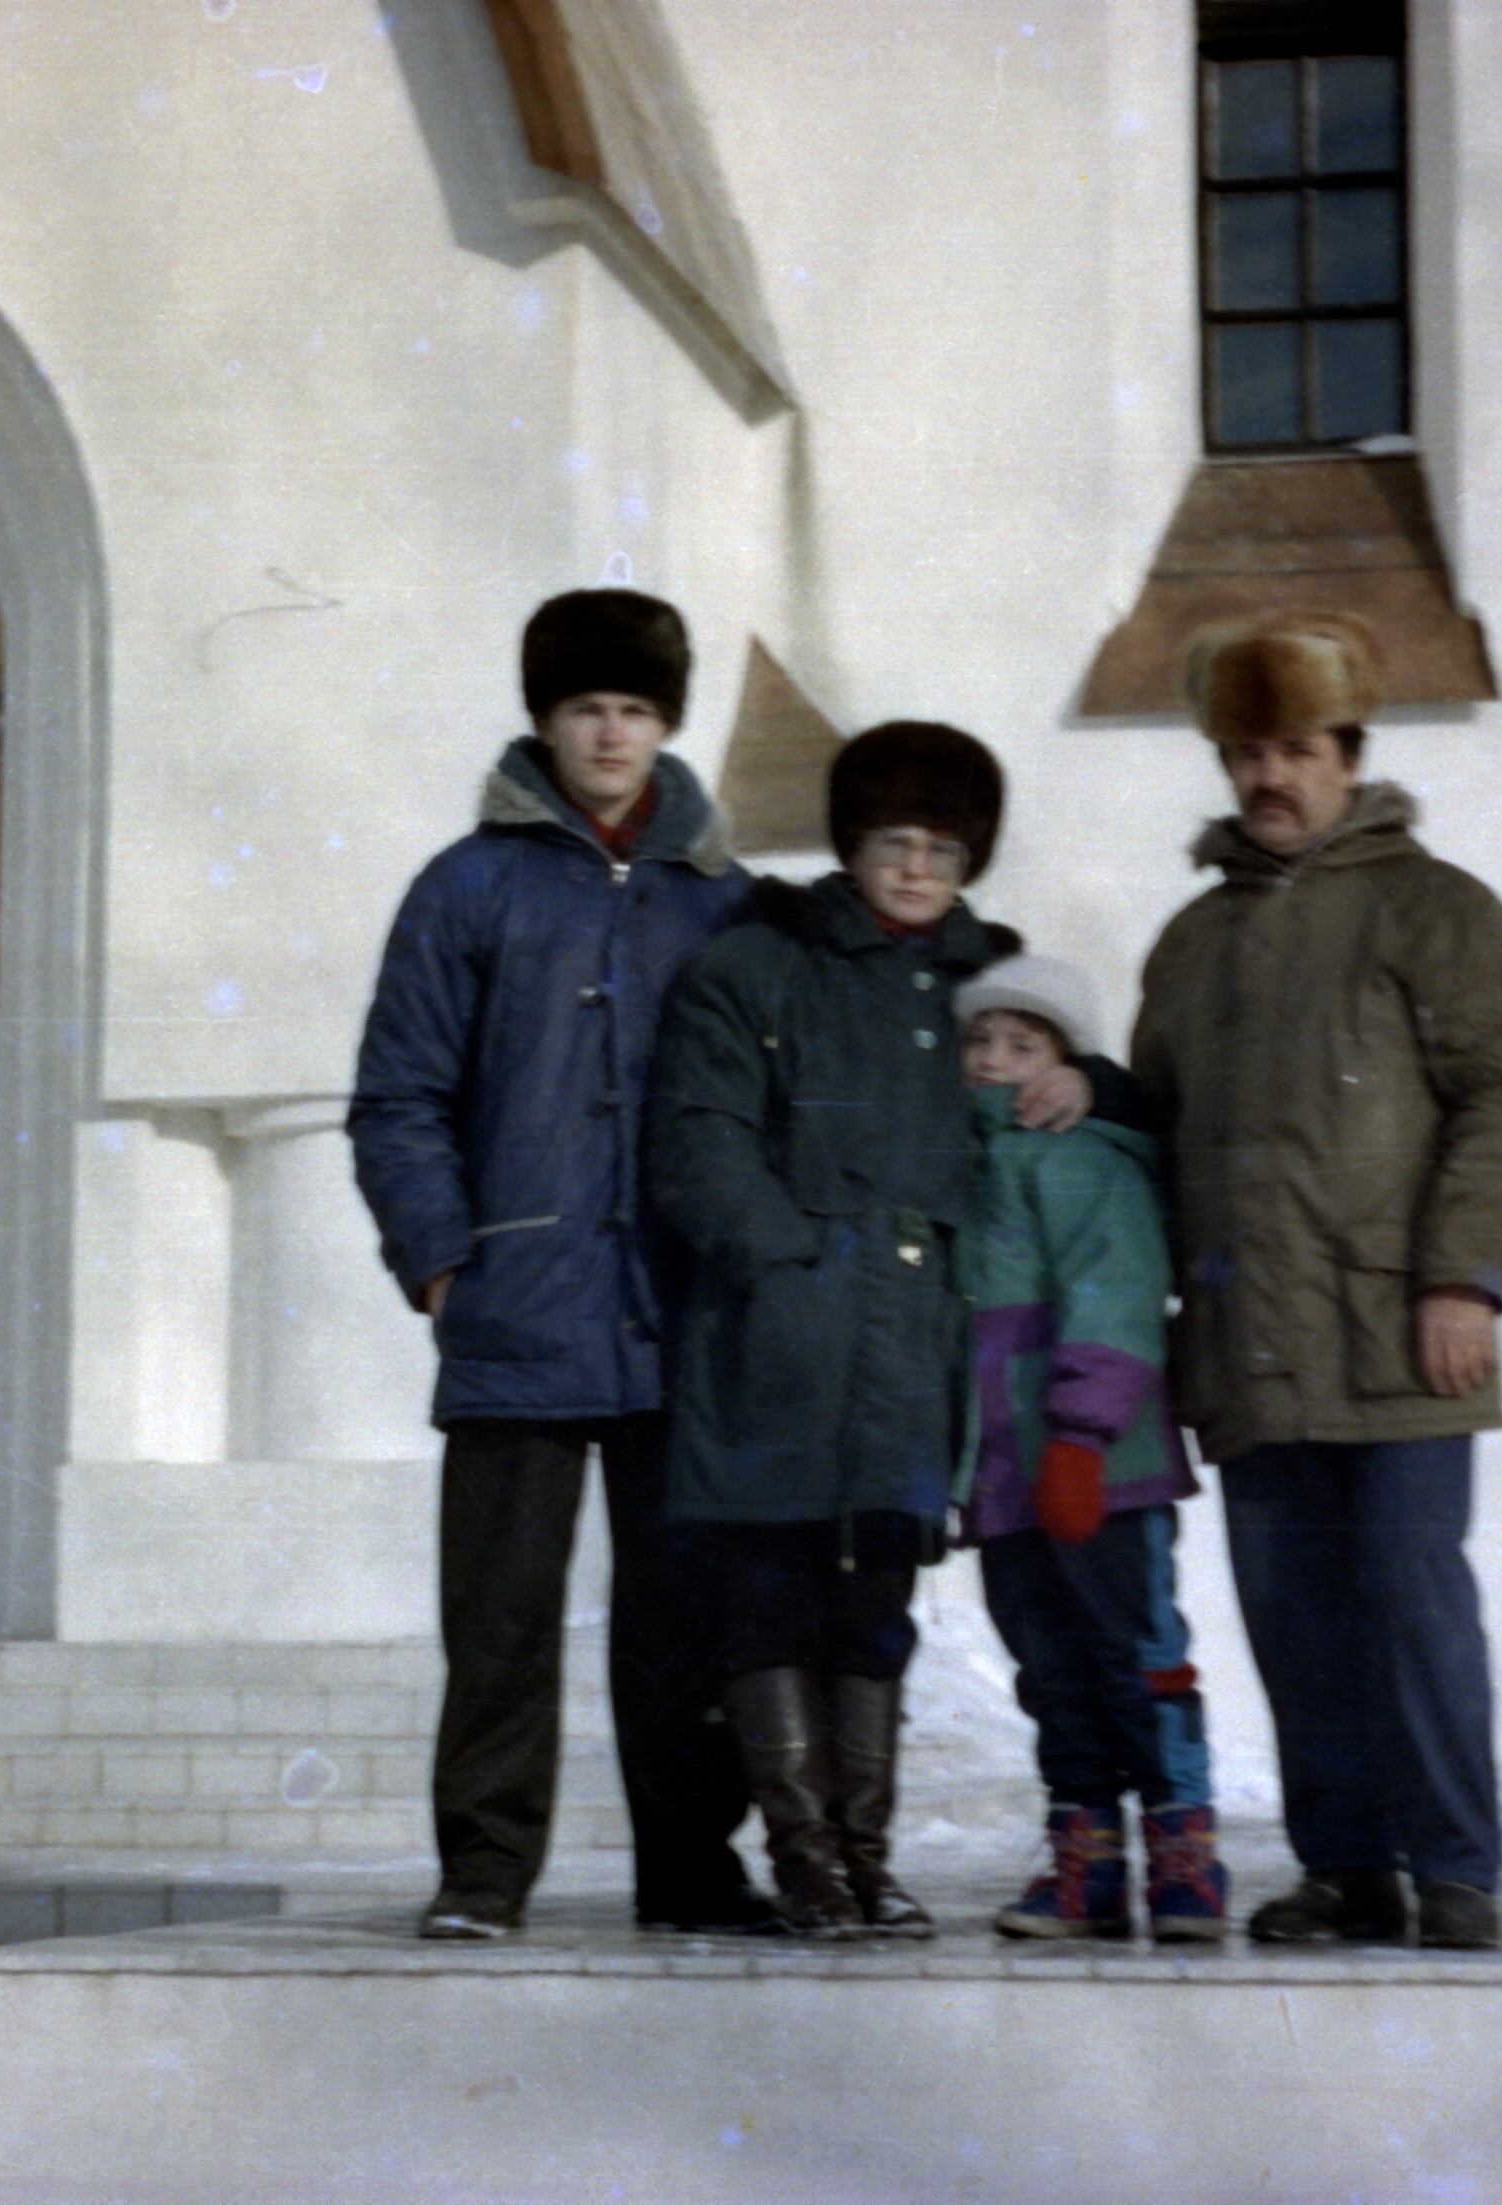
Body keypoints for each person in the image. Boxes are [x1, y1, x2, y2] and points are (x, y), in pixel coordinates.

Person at [349, 587, 772, 1941]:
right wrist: (441, 1265)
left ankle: (691, 1868)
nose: (609, 734)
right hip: (515, 1311)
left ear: (666, 724)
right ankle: (483, 1871)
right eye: (586, 707)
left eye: (635, 709)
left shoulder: (724, 901)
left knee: (684, 1618)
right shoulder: (466, 886)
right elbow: (399, 1096)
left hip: (674, 1313)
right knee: (500, 1621)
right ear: (544, 718)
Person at [1130, 610, 1502, 1951]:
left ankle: (1455, 1869)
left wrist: (1464, 1280)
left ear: (1350, 755)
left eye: (1298, 749)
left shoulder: (1439, 912)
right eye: (1248, 752)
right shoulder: (1189, 945)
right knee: (1294, 1619)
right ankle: (1346, 1866)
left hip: (1398, 1331)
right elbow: (1150, 1133)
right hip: (1247, 1336)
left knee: (1414, 1601)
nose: (1272, 776)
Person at [645, 721, 1016, 1940]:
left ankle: (867, 1860)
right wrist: (783, 1263)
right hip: (776, 1344)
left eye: (942, 851)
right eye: (892, 841)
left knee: (873, 1612)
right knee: (767, 1605)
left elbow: (1049, 1109)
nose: (914, 869)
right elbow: (697, 1137)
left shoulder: (986, 991)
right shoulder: (758, 966)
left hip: (912, 1348)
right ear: (849, 844)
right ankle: (805, 1861)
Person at [953, 953, 1227, 1943]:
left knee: (1134, 1654)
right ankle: (1087, 1859)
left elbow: (1117, 1296)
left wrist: (1080, 1434)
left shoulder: (1083, 1157)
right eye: (978, 1041)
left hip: (1099, 1467)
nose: (992, 1059)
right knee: (1049, 1668)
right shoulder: (958, 1168)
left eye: (1021, 1044)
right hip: (1003, 1474)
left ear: (1065, 1062)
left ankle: (1183, 1852)